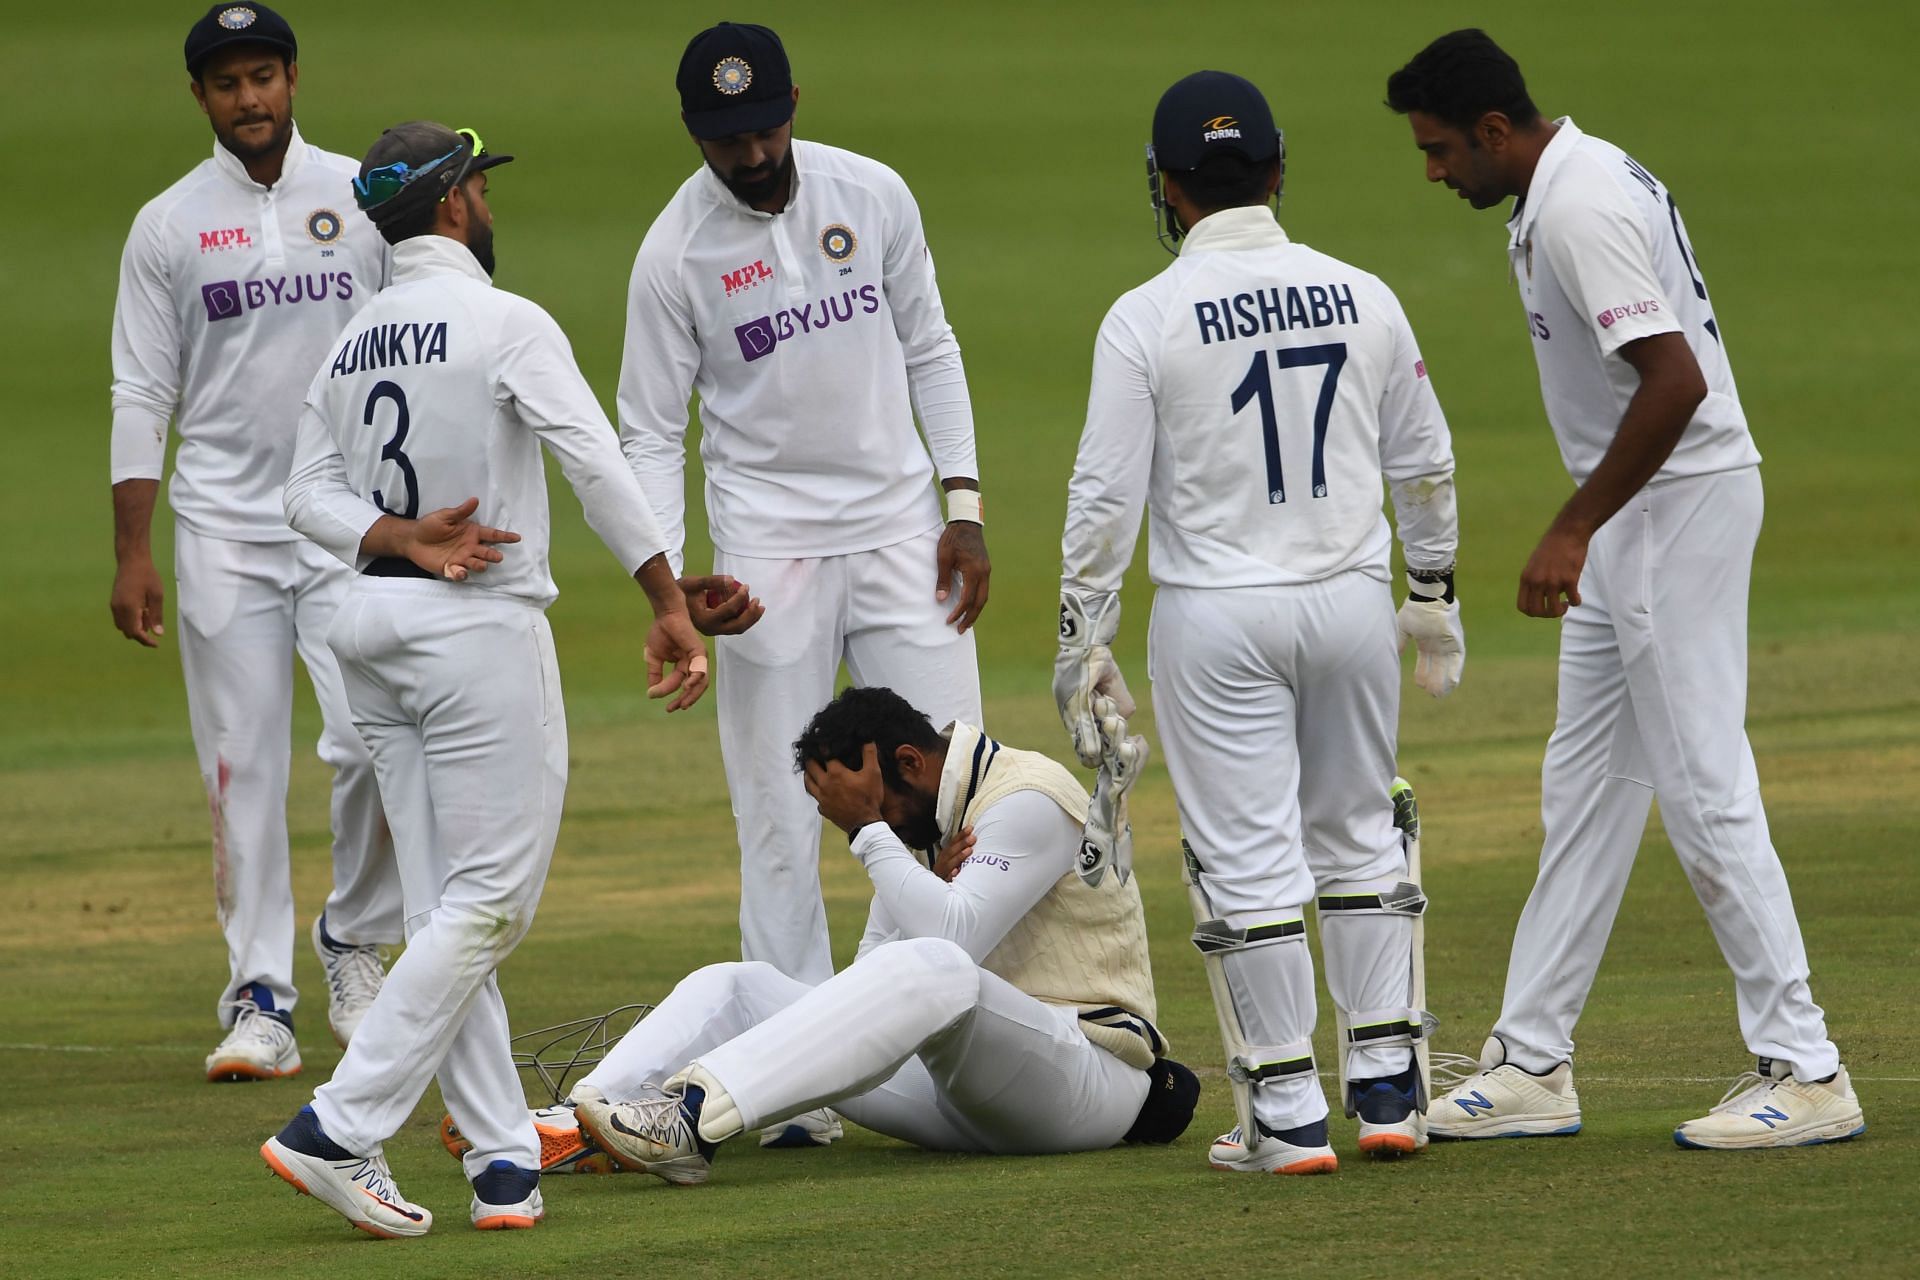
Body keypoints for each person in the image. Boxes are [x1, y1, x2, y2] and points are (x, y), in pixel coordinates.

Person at [1385, 29, 1864, 1150]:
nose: (1433, 169)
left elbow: (1677, 381)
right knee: (1589, 783)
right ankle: (1534, 1060)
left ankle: (1807, 1064)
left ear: (1496, 131)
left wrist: (1573, 525)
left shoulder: (1578, 205)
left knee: (1703, 782)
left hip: (1671, 508)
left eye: (1442, 148)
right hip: (1643, 514)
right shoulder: (1559, 185)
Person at [261, 121, 709, 1237]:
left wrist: (392, 535)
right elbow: (595, 458)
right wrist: (667, 597)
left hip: (368, 630)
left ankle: (503, 1164)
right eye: (482, 190)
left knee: (443, 904)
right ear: (455, 202)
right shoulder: (506, 320)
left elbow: (301, 495)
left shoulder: (352, 337)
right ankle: (336, 1125)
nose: (489, 206)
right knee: (490, 901)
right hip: (475, 635)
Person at [1055, 71, 1463, 1175]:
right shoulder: (1362, 291)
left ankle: (1284, 1111)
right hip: (1348, 600)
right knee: (1359, 828)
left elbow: (1105, 496)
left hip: (1217, 611)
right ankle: (1387, 1091)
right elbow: (1422, 459)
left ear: (1169, 188)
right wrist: (1431, 591)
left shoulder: (1144, 315)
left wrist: (1080, 638)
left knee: (1245, 855)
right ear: (1277, 173)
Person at [619, 23, 989, 1026]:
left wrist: (964, 509)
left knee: (954, 778)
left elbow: (932, 347)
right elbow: (649, 432)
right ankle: (794, 1066)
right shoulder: (674, 251)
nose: (749, 156)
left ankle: (947, 1022)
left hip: (901, 532)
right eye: (723, 139)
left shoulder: (873, 195)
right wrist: (674, 586)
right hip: (766, 561)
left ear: (794, 105)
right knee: (780, 816)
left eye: (763, 130)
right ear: (695, 133)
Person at [521, 687, 1195, 1181]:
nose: (864, 830)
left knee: (937, 962)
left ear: (909, 761)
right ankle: (574, 1123)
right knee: (737, 983)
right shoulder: (930, 823)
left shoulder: (1029, 799)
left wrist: (871, 831)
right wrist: (894, 844)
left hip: (1087, 1078)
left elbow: (948, 952)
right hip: (964, 1089)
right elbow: (871, 979)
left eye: (861, 809)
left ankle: (689, 1120)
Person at [109, 2, 401, 1081]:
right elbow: (142, 390)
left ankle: (355, 940)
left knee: (372, 737)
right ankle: (261, 1001)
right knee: (241, 766)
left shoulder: (358, 200)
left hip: (343, 519)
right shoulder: (169, 224)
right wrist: (134, 549)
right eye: (227, 84)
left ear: (291, 79)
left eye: (264, 77)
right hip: (225, 526)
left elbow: (410, 340)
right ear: (201, 98)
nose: (250, 100)